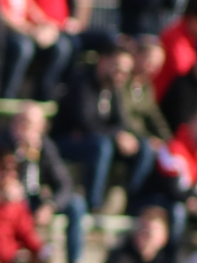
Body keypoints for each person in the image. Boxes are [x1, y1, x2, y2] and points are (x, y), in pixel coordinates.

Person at [55, 45, 144, 215]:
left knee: (143, 148)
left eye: (126, 72)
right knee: (101, 145)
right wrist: (116, 135)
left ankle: (133, 201)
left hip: (94, 139)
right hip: (66, 141)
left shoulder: (113, 88)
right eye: (117, 68)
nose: (121, 75)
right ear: (103, 61)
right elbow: (84, 122)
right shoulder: (82, 82)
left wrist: (121, 135)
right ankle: (93, 203)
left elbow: (121, 122)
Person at [0, 102, 85, 263]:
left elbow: (65, 184)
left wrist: (50, 206)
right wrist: (21, 155)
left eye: (32, 125)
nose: (27, 129)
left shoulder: (46, 147)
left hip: (38, 199)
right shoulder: (3, 144)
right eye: (23, 122)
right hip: (14, 201)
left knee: (76, 204)